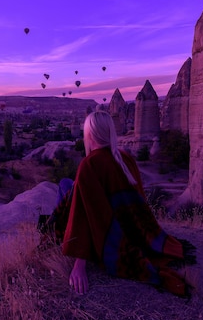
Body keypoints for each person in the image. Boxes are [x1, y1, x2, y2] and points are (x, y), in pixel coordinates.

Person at [44, 111, 195, 297]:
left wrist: (79, 265)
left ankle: (56, 231)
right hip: (127, 224)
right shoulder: (124, 157)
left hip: (105, 231)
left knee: (66, 188)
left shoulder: (89, 164)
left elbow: (84, 213)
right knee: (68, 185)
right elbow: (137, 200)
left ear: (89, 134)